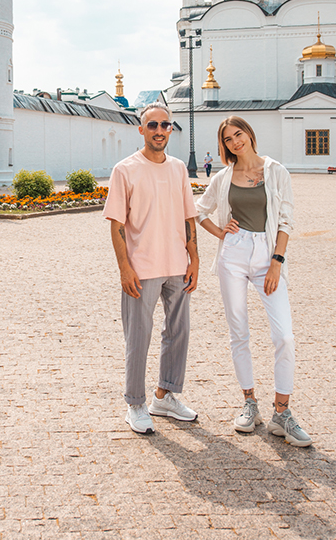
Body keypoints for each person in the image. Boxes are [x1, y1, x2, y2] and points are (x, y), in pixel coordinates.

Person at [195, 116, 311, 446]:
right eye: (228, 139)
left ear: (249, 134)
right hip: (233, 253)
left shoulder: (276, 171)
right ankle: (249, 403)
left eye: (239, 134)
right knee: (239, 331)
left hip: (267, 256)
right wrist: (219, 232)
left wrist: (276, 262)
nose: (235, 142)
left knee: (284, 336)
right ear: (224, 145)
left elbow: (286, 220)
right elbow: (199, 210)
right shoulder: (223, 177)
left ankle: (282, 413)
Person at [103, 102, 200, 434]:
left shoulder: (178, 169)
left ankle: (165, 395)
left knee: (178, 333)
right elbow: (116, 224)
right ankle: (135, 403)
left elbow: (189, 216)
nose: (160, 130)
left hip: (177, 265)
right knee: (138, 337)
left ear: (171, 129)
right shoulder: (125, 170)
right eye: (153, 125)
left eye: (165, 125)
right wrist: (124, 268)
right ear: (141, 129)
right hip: (142, 269)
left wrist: (195, 258)